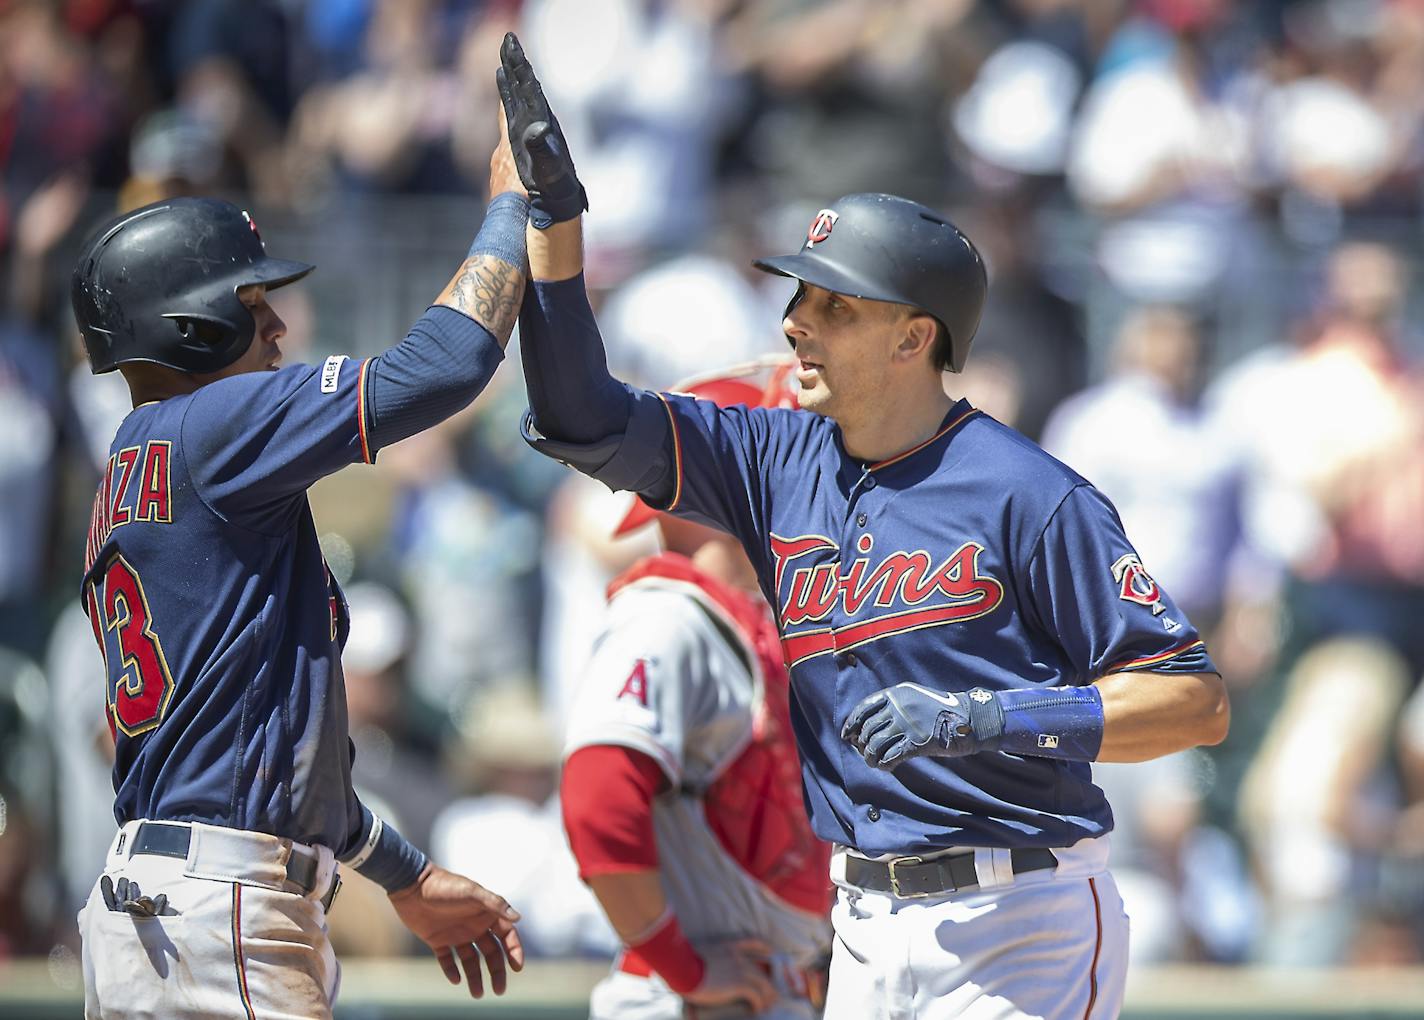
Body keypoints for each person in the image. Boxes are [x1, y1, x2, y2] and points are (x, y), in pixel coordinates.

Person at [497, 33, 1229, 1019]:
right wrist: (553, 232)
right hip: (859, 933)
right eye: (799, 296)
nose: (794, 321)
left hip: (1020, 918)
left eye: (832, 304)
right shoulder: (771, 459)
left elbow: (1190, 701)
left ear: (912, 338)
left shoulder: (1028, 493)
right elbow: (579, 417)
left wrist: (995, 717)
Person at [72, 113, 530, 1018]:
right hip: (220, 916)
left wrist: (403, 875)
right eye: (250, 306)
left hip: (167, 910)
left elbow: (266, 760)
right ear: (191, 325)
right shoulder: (214, 426)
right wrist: (511, 206)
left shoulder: (130, 470)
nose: (277, 325)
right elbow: (445, 365)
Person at [560, 362, 833, 1019]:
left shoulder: (744, 623)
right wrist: (684, 966)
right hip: (693, 999)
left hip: (765, 988)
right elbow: (598, 800)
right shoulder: (667, 616)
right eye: (774, 454)